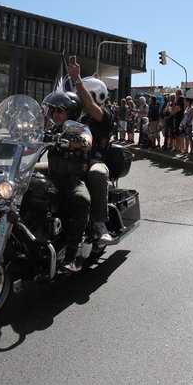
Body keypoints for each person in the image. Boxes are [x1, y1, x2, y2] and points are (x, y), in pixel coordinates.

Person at [42, 88, 94, 273]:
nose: (55, 114)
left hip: (72, 179)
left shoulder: (77, 127)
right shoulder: (51, 129)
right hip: (53, 176)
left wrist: (75, 142)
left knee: (82, 200)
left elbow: (87, 140)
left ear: (71, 113)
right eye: (53, 110)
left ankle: (71, 256)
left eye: (60, 110)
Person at [67, 56, 115, 246]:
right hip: (71, 161)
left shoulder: (104, 115)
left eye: (84, 94)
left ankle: (99, 223)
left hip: (94, 161)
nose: (79, 98)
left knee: (97, 174)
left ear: (98, 95)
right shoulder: (77, 118)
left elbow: (89, 105)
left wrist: (77, 80)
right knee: (37, 170)